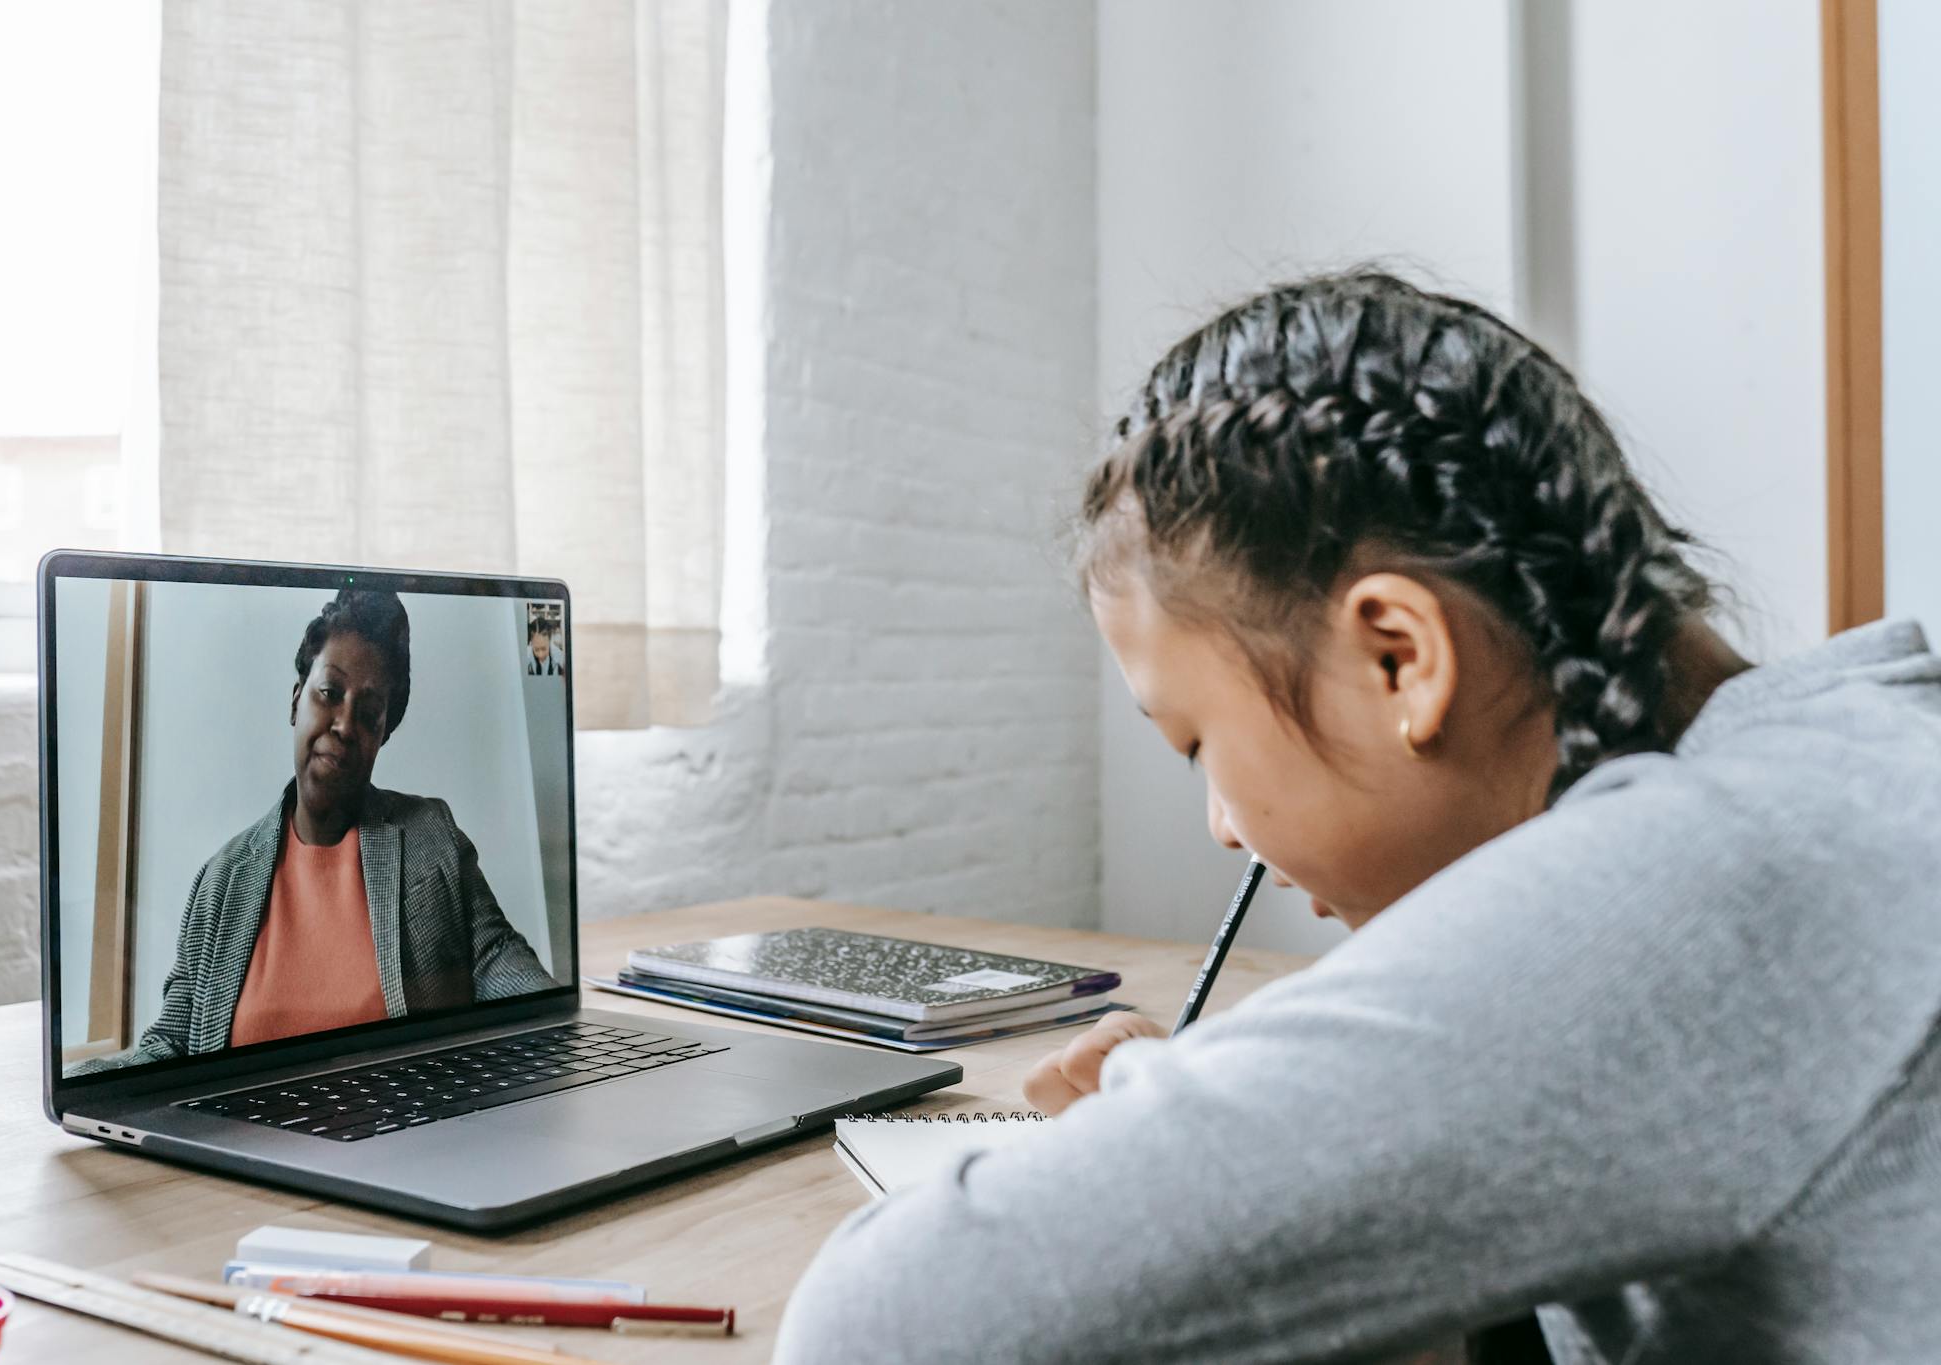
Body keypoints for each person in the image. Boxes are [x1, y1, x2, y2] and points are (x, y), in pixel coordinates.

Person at [773, 272, 1941, 1363]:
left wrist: (1159, 1120)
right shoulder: (1850, 768)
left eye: (1196, 747)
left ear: (1397, 657)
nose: (1225, 829)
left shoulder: (1710, 879)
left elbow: (883, 1325)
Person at [70, 589, 557, 1075]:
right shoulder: (221, 881)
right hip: (242, 1141)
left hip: (406, 1136)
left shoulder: (431, 838)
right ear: (296, 698)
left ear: (382, 737)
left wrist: (570, 1033)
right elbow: (172, 1045)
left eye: (368, 713)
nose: (345, 724)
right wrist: (72, 1083)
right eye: (330, 692)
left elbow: (499, 960)